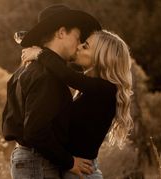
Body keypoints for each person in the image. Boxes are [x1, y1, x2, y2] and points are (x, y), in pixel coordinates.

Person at [2, 4, 101, 179]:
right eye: (77, 37)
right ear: (61, 32)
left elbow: (9, 122)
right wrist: (69, 162)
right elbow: (35, 131)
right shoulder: (47, 75)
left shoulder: (24, 69)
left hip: (29, 159)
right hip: (39, 163)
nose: (79, 44)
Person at [21, 29, 134, 178]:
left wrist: (40, 54)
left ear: (101, 58)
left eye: (86, 46)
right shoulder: (91, 88)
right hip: (74, 170)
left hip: (83, 172)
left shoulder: (106, 89)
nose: (79, 46)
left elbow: (67, 75)